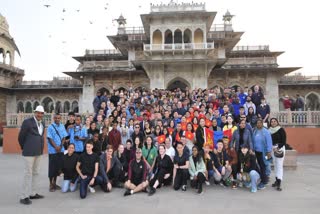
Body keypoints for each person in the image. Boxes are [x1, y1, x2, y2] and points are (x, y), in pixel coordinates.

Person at [18, 105, 45, 205]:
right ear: (35, 113)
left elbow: (40, 136)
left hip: (38, 152)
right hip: (29, 153)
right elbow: (21, 137)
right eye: (38, 112)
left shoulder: (42, 123)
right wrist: (24, 147)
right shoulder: (27, 122)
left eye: (41, 113)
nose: (39, 114)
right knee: (27, 174)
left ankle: (33, 193)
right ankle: (23, 196)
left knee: (36, 173)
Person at [46, 113, 68, 192]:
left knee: (58, 167)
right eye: (56, 118)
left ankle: (55, 183)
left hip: (60, 150)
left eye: (59, 118)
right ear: (53, 118)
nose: (57, 119)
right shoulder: (50, 127)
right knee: (52, 168)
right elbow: (49, 138)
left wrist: (60, 146)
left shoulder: (62, 126)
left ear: (60, 119)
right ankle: (51, 185)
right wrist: (56, 147)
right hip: (53, 151)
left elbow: (64, 137)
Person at [252, 119, 273, 190]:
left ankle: (264, 182)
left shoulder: (266, 131)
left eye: (260, 123)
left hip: (264, 152)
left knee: (264, 166)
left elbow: (269, 142)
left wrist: (269, 151)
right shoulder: (255, 131)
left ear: (262, 123)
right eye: (257, 123)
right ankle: (264, 178)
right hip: (257, 152)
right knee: (260, 166)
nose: (258, 124)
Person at [269, 118, 287, 191]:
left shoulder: (281, 130)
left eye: (274, 121)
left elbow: (284, 141)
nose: (273, 123)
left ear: (277, 122)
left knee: (279, 165)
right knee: (275, 165)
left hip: (280, 148)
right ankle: (276, 180)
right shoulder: (269, 130)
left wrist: (278, 147)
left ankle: (279, 182)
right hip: (272, 149)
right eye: (272, 122)